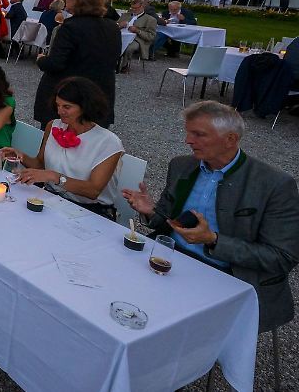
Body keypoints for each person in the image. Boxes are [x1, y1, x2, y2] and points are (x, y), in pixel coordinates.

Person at [121, 101, 299, 333]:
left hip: (226, 276)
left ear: (230, 139)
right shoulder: (182, 166)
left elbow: (282, 257)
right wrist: (150, 211)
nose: (188, 140)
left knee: (153, 327)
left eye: (198, 134)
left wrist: (213, 240)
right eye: (187, 132)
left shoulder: (273, 185)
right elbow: (166, 222)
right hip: (171, 261)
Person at [2, 77, 124, 219]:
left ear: (85, 106)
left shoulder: (108, 142)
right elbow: (40, 164)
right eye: (58, 105)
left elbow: (93, 190)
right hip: (50, 200)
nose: (60, 111)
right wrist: (20, 155)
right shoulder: (53, 126)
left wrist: (54, 177)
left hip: (89, 211)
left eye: (67, 107)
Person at [33, 0, 120, 128]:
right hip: (99, 91)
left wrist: (42, 60)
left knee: (57, 142)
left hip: (71, 94)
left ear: (80, 0)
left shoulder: (70, 27)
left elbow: (56, 63)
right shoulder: (112, 27)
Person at [117, 0, 158, 71]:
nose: (133, 10)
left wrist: (138, 31)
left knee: (129, 48)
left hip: (138, 40)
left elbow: (151, 36)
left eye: (136, 8)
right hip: (121, 37)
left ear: (142, 7)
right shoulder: (125, 15)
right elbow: (113, 28)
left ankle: (124, 65)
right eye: (132, 8)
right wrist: (119, 26)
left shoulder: (150, 19)